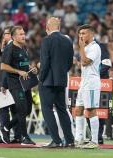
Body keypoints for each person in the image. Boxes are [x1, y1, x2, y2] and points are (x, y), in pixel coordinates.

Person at [38, 17, 74, 148]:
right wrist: (61, 72)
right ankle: (70, 140)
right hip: (61, 80)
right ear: (59, 27)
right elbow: (70, 62)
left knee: (47, 110)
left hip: (47, 81)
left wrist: (40, 78)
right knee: (62, 109)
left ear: (47, 28)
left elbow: (45, 63)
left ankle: (56, 140)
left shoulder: (46, 40)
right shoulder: (67, 40)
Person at [1, 25, 36, 145]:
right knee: (21, 109)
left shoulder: (23, 48)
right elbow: (3, 66)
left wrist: (30, 68)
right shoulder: (9, 48)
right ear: (13, 37)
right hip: (15, 83)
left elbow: (24, 64)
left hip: (25, 83)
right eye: (20, 34)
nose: (23, 36)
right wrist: (18, 71)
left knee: (28, 110)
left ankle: (6, 127)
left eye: (24, 33)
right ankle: (25, 137)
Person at [0, 26, 21, 144]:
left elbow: (6, 67)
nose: (4, 36)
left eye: (7, 34)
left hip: (6, 82)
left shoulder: (11, 47)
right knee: (14, 110)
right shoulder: (11, 47)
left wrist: (3, 84)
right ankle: (17, 136)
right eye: (4, 34)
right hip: (11, 82)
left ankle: (5, 134)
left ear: (12, 35)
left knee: (3, 109)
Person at [75, 24, 101, 149]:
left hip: (91, 82)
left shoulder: (95, 47)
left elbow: (85, 62)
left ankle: (94, 141)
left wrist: (80, 48)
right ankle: (78, 138)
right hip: (83, 82)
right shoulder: (86, 47)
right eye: (80, 34)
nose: (81, 36)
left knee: (90, 110)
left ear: (91, 34)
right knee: (78, 109)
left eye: (84, 33)